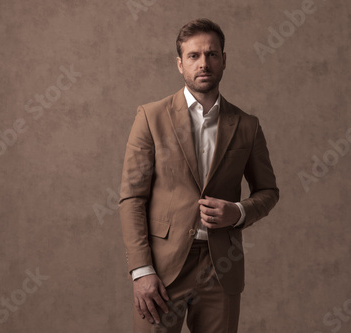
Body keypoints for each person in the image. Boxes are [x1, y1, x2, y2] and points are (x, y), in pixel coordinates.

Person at [119, 18, 279, 333]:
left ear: (223, 60)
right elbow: (132, 198)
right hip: (163, 268)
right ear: (180, 64)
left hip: (222, 267)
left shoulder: (247, 125)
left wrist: (238, 211)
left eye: (211, 54)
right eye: (194, 56)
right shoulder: (151, 117)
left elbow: (269, 191)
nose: (203, 63)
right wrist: (141, 270)